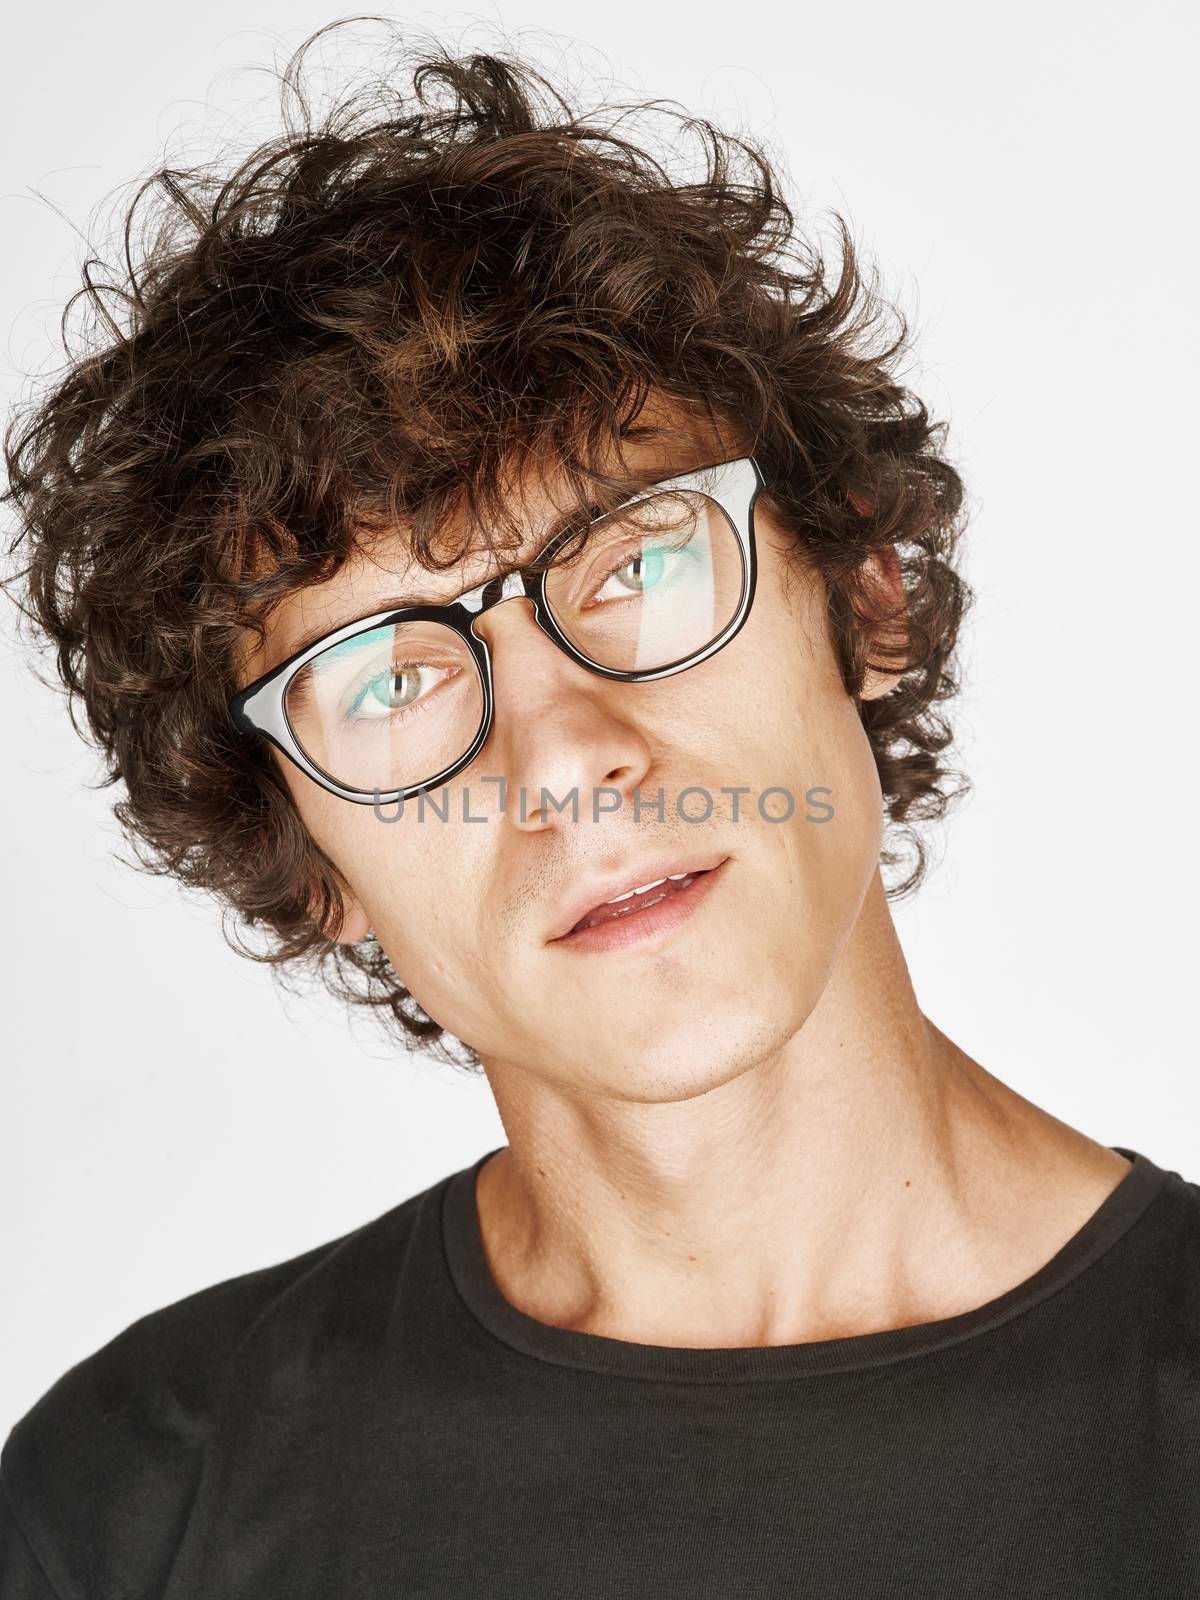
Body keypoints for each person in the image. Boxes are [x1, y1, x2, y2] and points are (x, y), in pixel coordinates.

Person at [2, 29, 1197, 1599]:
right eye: (386, 680)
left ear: (869, 596)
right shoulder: (139, 1501)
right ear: (307, 867)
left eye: (636, 563)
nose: (565, 760)